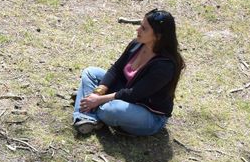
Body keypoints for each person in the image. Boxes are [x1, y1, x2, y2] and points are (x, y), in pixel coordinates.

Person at [72, 8, 184, 136]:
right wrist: (99, 92)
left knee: (109, 110)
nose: (138, 30)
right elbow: (116, 69)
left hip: (147, 113)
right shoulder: (137, 44)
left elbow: (134, 94)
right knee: (91, 72)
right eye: (140, 26)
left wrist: (99, 100)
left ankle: (86, 103)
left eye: (144, 28)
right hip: (125, 94)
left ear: (158, 36)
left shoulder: (164, 66)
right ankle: (87, 117)